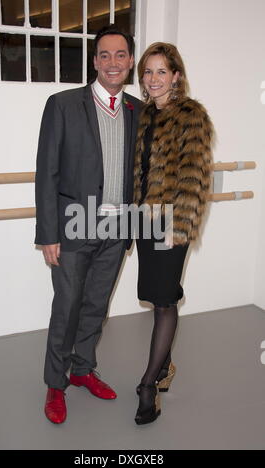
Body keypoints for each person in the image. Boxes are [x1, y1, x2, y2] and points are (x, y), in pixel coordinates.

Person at [35, 26, 141, 424]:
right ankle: (54, 384)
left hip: (117, 229)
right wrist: (48, 232)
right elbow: (47, 171)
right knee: (67, 308)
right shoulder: (62, 105)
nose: (112, 62)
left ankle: (81, 370)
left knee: (97, 306)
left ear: (130, 61)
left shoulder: (136, 110)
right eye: (105, 55)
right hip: (73, 228)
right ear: (94, 61)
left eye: (120, 55)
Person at [133, 42, 214, 425]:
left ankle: (148, 383)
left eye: (161, 71)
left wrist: (180, 228)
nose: (153, 79)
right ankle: (165, 367)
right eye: (148, 72)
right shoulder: (145, 115)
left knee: (165, 300)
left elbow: (195, 176)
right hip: (146, 221)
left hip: (171, 223)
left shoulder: (191, 116)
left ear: (176, 75)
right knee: (154, 296)